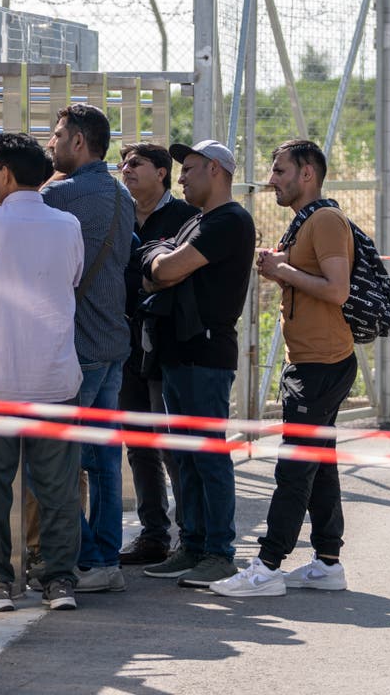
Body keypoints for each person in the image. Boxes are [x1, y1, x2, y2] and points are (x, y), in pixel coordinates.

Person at [209, 138, 358, 598]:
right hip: (312, 362)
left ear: (307, 173)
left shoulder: (327, 221)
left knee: (295, 467)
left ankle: (268, 567)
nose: (272, 179)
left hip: (321, 364)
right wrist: (283, 268)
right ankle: (328, 562)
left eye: (280, 171)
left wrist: (281, 270)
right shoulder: (307, 222)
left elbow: (337, 291)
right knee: (320, 462)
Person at [0, 133, 84, 612]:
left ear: (5, 172)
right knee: (57, 486)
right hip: (53, 375)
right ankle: (58, 581)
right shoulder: (68, 225)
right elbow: (74, 277)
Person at [139, 139, 256, 588]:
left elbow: (166, 269)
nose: (181, 177)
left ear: (215, 170)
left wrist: (160, 264)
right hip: (178, 353)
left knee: (207, 456)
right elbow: (155, 255)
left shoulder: (229, 221)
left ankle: (219, 553)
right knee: (184, 456)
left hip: (206, 354)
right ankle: (191, 545)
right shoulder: (199, 222)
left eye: (188, 169)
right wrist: (158, 261)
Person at [42, 103, 135, 594]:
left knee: (53, 461)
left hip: (76, 347)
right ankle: (104, 558)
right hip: (113, 342)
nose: (50, 145)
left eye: (57, 136)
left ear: (79, 141)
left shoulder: (59, 196)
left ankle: (79, 556)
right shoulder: (122, 195)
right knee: (102, 462)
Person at [117, 143, 198, 565]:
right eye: (123, 163)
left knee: (171, 443)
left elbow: (183, 276)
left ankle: (189, 536)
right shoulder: (117, 213)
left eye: (136, 164)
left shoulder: (185, 218)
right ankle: (153, 535)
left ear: (162, 173)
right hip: (123, 343)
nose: (125, 169)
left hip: (166, 345)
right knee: (139, 443)